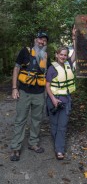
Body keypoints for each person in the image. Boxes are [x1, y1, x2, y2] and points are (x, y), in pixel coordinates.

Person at [10, 30, 51, 161]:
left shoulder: (45, 56)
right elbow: (16, 68)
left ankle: (33, 143)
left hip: (39, 93)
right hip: (24, 92)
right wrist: (14, 88)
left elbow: (51, 72)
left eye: (44, 40)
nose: (42, 42)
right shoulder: (25, 51)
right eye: (40, 39)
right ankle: (16, 147)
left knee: (37, 120)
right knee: (20, 119)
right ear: (35, 39)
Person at [46, 26, 76, 160]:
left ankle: (59, 149)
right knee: (54, 125)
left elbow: (76, 53)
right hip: (53, 100)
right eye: (61, 54)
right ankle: (57, 144)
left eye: (65, 54)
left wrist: (74, 37)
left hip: (65, 100)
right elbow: (47, 86)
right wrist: (52, 99)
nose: (63, 56)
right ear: (57, 55)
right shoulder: (52, 68)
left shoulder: (69, 63)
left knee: (62, 125)